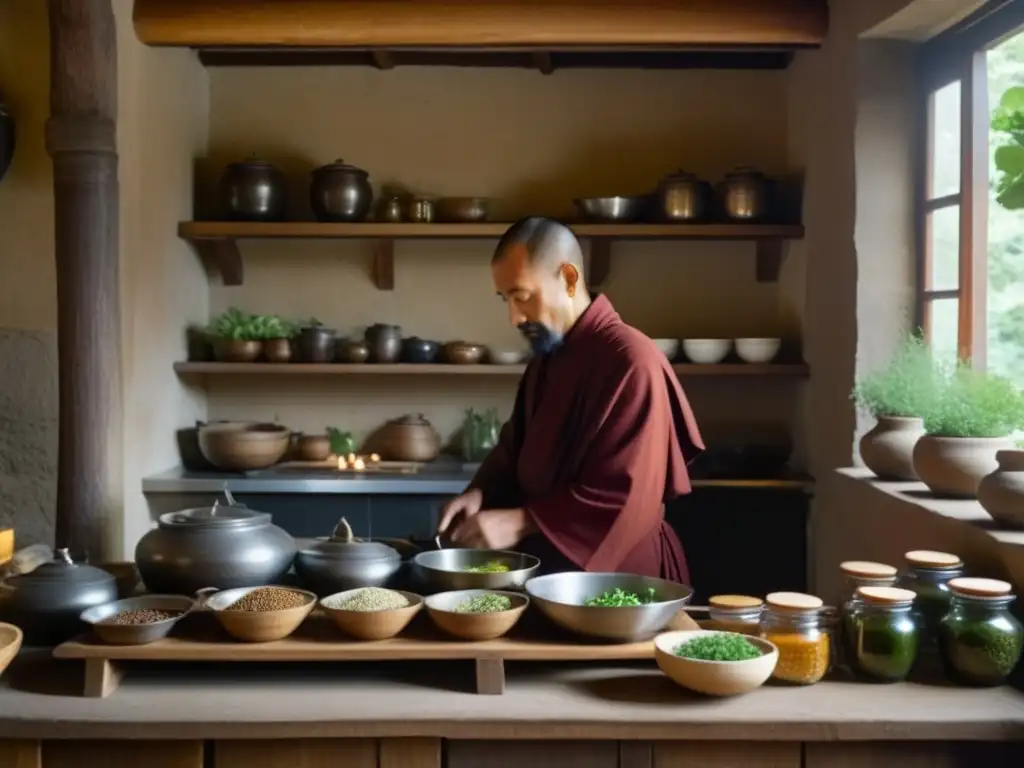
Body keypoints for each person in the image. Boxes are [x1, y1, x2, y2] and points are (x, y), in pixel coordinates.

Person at [436, 217, 705, 582]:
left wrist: (521, 522)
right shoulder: (547, 359)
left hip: (621, 582)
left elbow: (624, 497)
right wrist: (481, 493)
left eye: (523, 297)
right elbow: (514, 451)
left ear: (568, 278)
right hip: (550, 573)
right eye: (506, 300)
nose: (514, 317)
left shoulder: (632, 361)